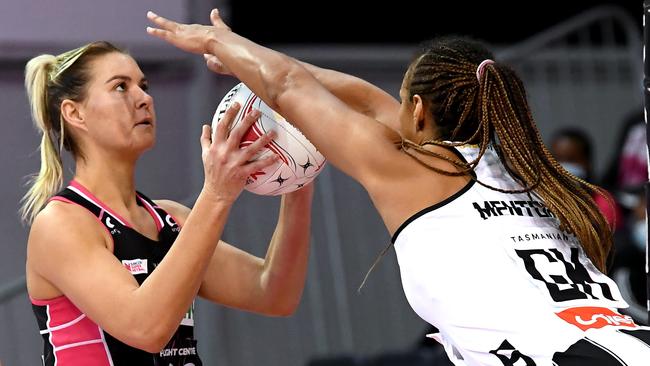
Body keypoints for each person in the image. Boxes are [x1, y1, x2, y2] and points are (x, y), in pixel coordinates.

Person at [146, 9, 650, 365]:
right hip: (628, 338)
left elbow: (293, 89)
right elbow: (360, 99)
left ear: (417, 113)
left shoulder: (419, 174)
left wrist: (215, 41)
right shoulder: (531, 172)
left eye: (402, 100)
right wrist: (245, 56)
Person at [22, 41, 314, 366]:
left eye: (144, 86)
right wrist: (216, 193)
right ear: (75, 113)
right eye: (121, 86)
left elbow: (274, 293)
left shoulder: (171, 218)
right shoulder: (61, 223)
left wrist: (298, 178)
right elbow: (145, 327)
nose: (144, 98)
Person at [549, 128, 622, 230]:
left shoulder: (603, 200)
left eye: (570, 159)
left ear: (587, 162)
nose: (561, 167)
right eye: (555, 160)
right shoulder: (539, 197)